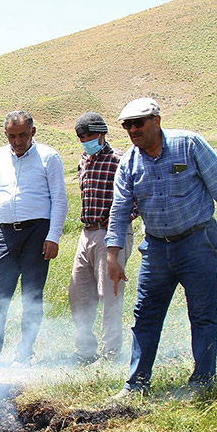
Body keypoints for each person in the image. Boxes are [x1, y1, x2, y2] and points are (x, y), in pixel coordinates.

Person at [106, 97, 217, 398]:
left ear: (156, 120)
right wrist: (112, 255)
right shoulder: (129, 162)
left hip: (197, 240)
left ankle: (202, 380)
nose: (132, 130)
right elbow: (119, 210)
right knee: (145, 315)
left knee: (202, 312)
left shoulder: (189, 145)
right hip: (156, 247)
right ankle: (136, 384)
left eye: (138, 123)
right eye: (127, 126)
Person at [0, 111, 68, 366]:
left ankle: (24, 354)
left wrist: (53, 236)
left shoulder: (49, 156)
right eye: (12, 136)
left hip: (37, 232)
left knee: (31, 295)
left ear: (33, 133)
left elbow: (59, 199)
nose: (17, 141)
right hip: (5, 233)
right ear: (5, 135)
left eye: (23, 135)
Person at [68, 112, 136, 365]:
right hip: (86, 232)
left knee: (110, 294)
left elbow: (136, 199)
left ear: (103, 134)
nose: (87, 141)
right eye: (82, 137)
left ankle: (110, 354)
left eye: (91, 136)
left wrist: (116, 223)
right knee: (78, 292)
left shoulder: (120, 160)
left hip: (112, 234)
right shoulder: (83, 161)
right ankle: (85, 349)